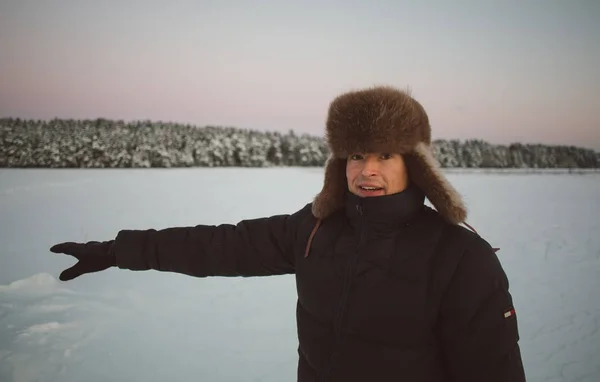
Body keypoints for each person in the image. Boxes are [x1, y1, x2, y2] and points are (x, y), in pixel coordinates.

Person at [50, 85, 527, 381]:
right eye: (357, 155)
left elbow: (493, 371)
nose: (368, 170)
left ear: (415, 163)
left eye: (385, 154)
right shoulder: (317, 229)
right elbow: (222, 245)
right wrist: (117, 250)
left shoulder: (462, 257)